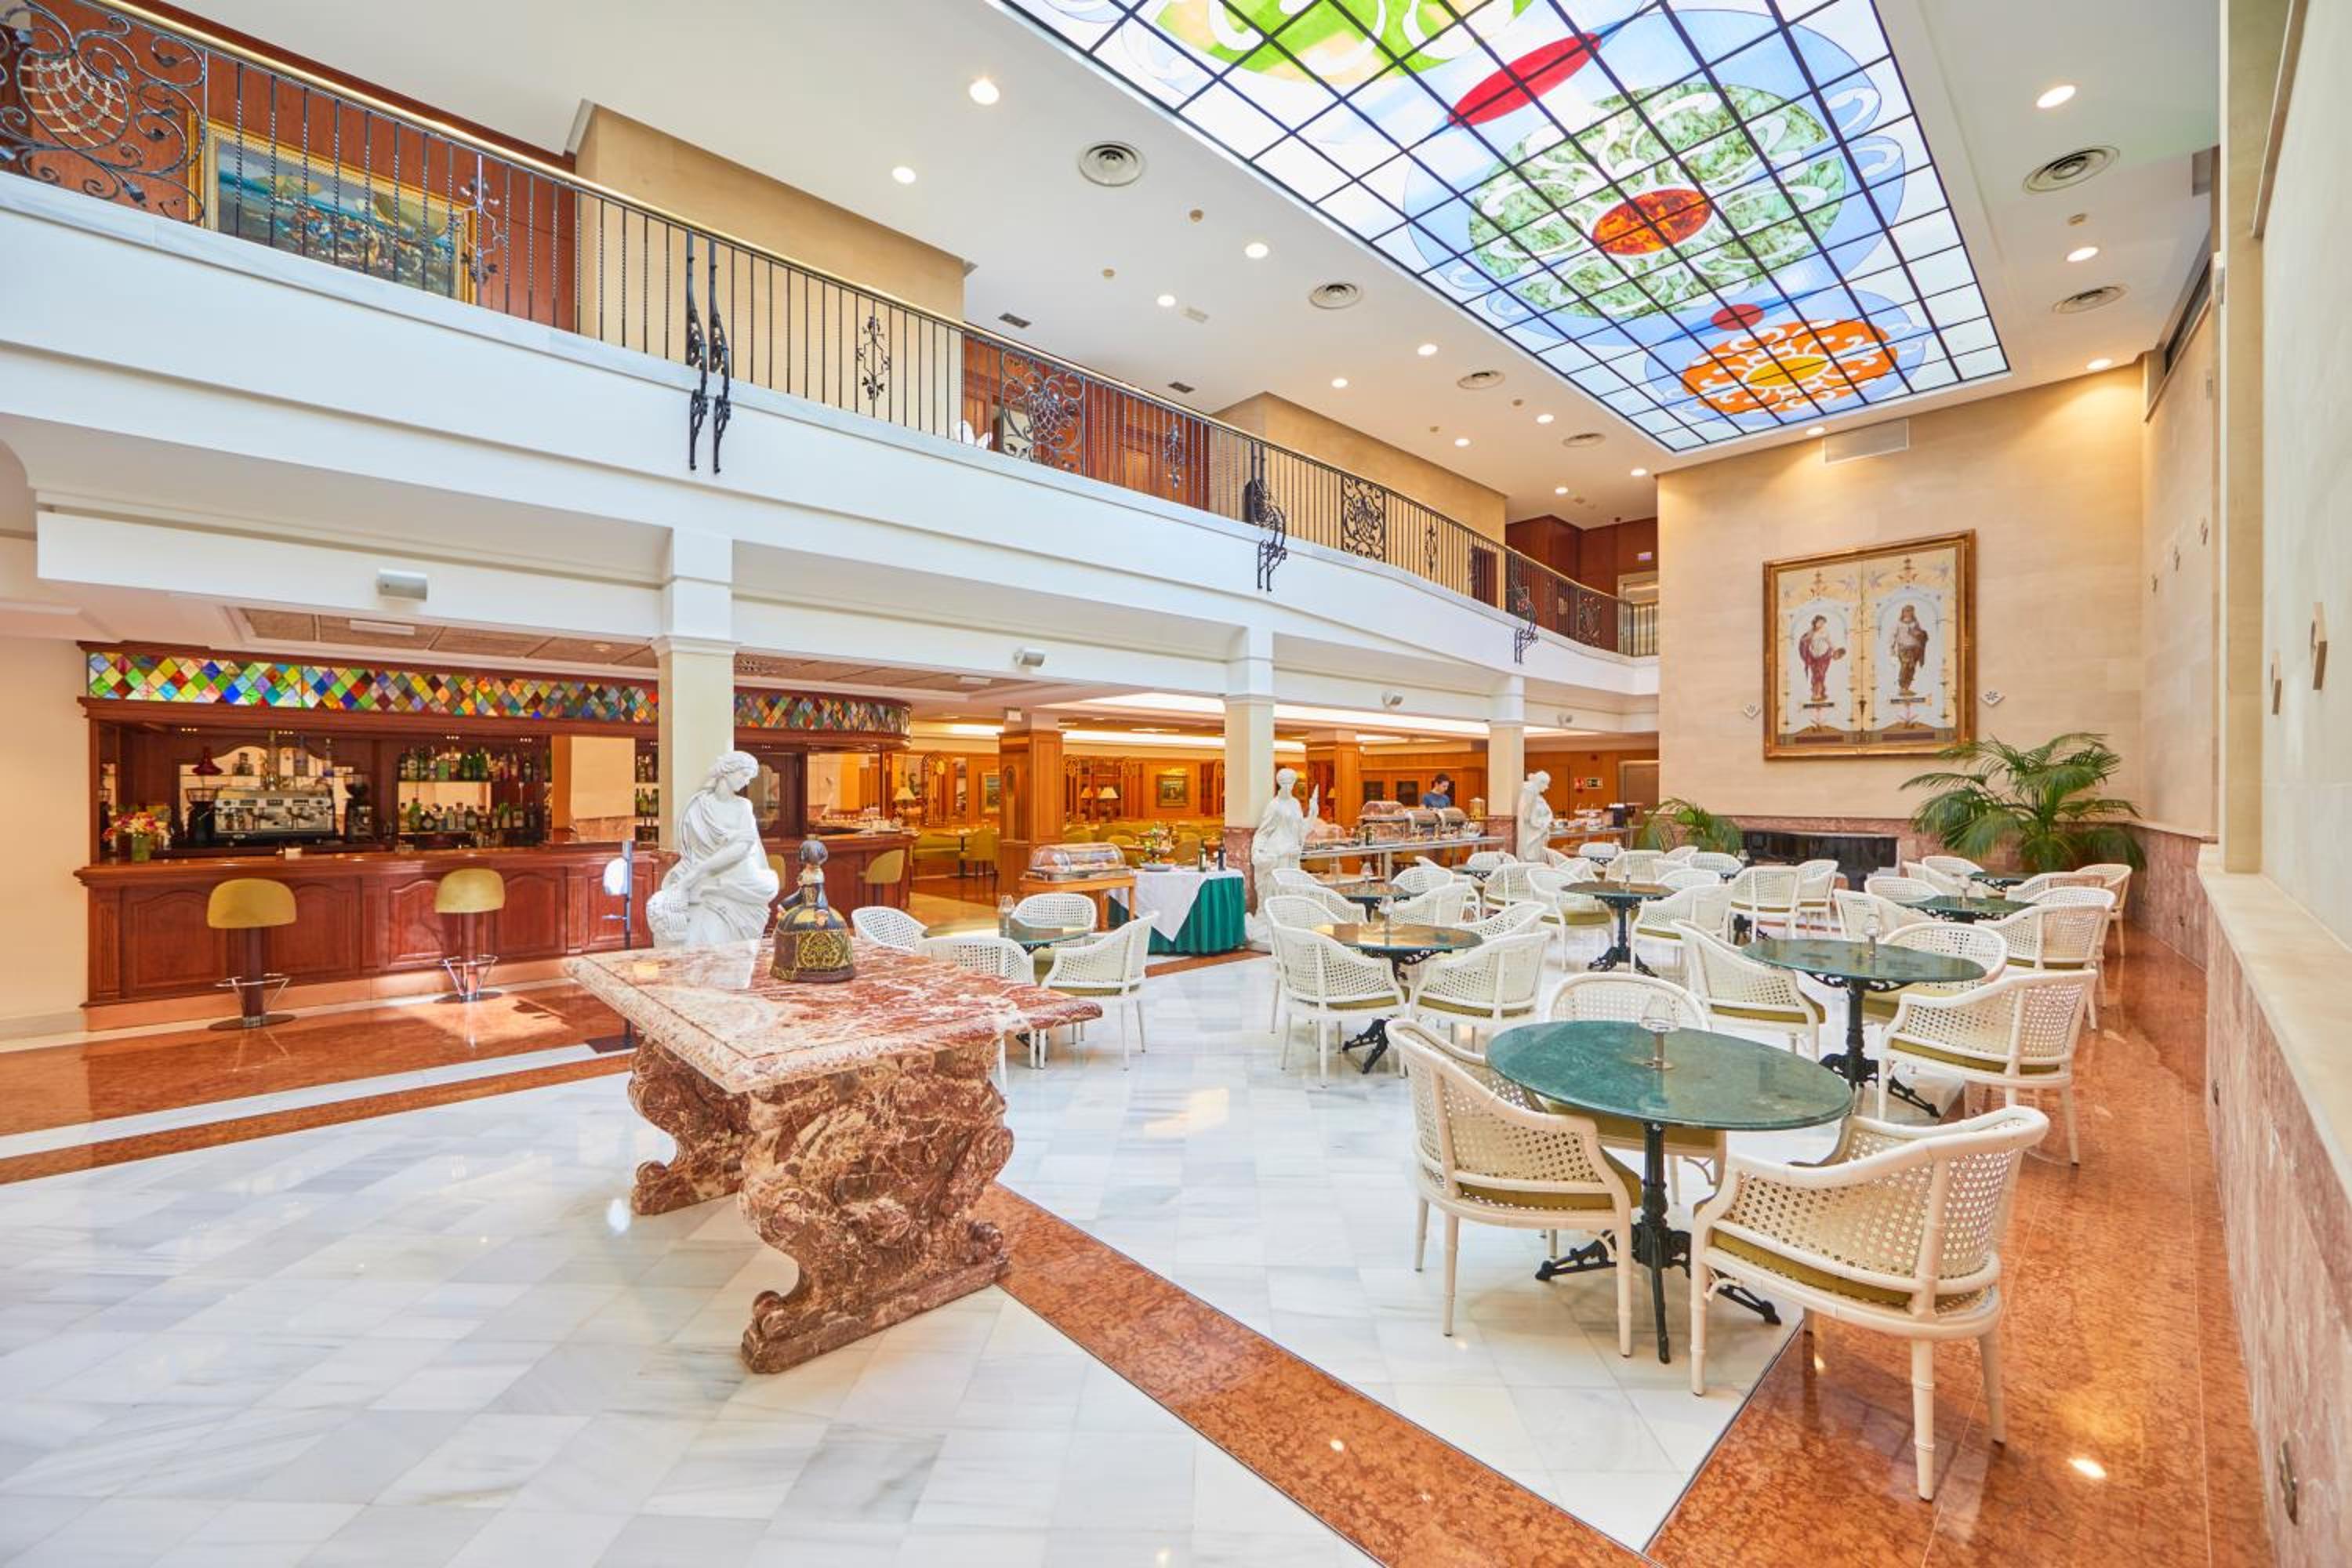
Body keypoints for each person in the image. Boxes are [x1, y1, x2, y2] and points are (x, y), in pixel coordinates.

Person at [647, 750, 781, 946]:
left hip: (735, 873)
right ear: (728, 770)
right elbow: (692, 849)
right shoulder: (698, 806)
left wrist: (699, 871)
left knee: (715, 937)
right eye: (744, 775)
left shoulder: (743, 806)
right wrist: (693, 873)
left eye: (749, 778)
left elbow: (743, 847)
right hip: (703, 874)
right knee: (695, 937)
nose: (746, 782)